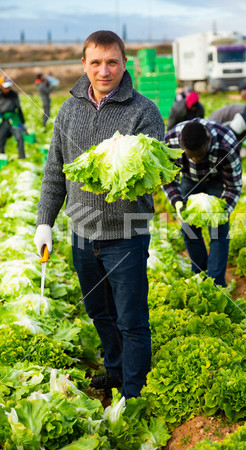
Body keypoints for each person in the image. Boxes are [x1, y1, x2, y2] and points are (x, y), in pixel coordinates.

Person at [33, 30, 165, 399]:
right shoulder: (68, 109)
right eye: (96, 62)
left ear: (125, 64)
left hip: (126, 233)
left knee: (131, 319)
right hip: (81, 233)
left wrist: (113, 157)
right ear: (84, 65)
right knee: (100, 313)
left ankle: (134, 392)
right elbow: (54, 172)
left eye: (112, 62)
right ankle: (115, 369)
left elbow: (148, 177)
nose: (104, 70)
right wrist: (45, 220)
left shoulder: (144, 111)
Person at [162, 118, 242, 287]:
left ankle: (215, 282)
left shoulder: (226, 144)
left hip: (217, 180)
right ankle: (200, 273)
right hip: (189, 180)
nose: (196, 159)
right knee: (188, 228)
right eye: (191, 155)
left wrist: (223, 210)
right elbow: (167, 178)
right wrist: (176, 200)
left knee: (219, 230)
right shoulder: (171, 142)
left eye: (200, 154)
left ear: (208, 140)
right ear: (182, 145)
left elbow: (233, 186)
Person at [0, 76, 26, 159]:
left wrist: (23, 123)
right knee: (1, 138)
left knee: (19, 137)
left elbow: (19, 109)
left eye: (9, 87)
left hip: (13, 118)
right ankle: (2, 157)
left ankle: (22, 158)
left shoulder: (14, 94)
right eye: (5, 87)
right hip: (3, 119)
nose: (8, 89)